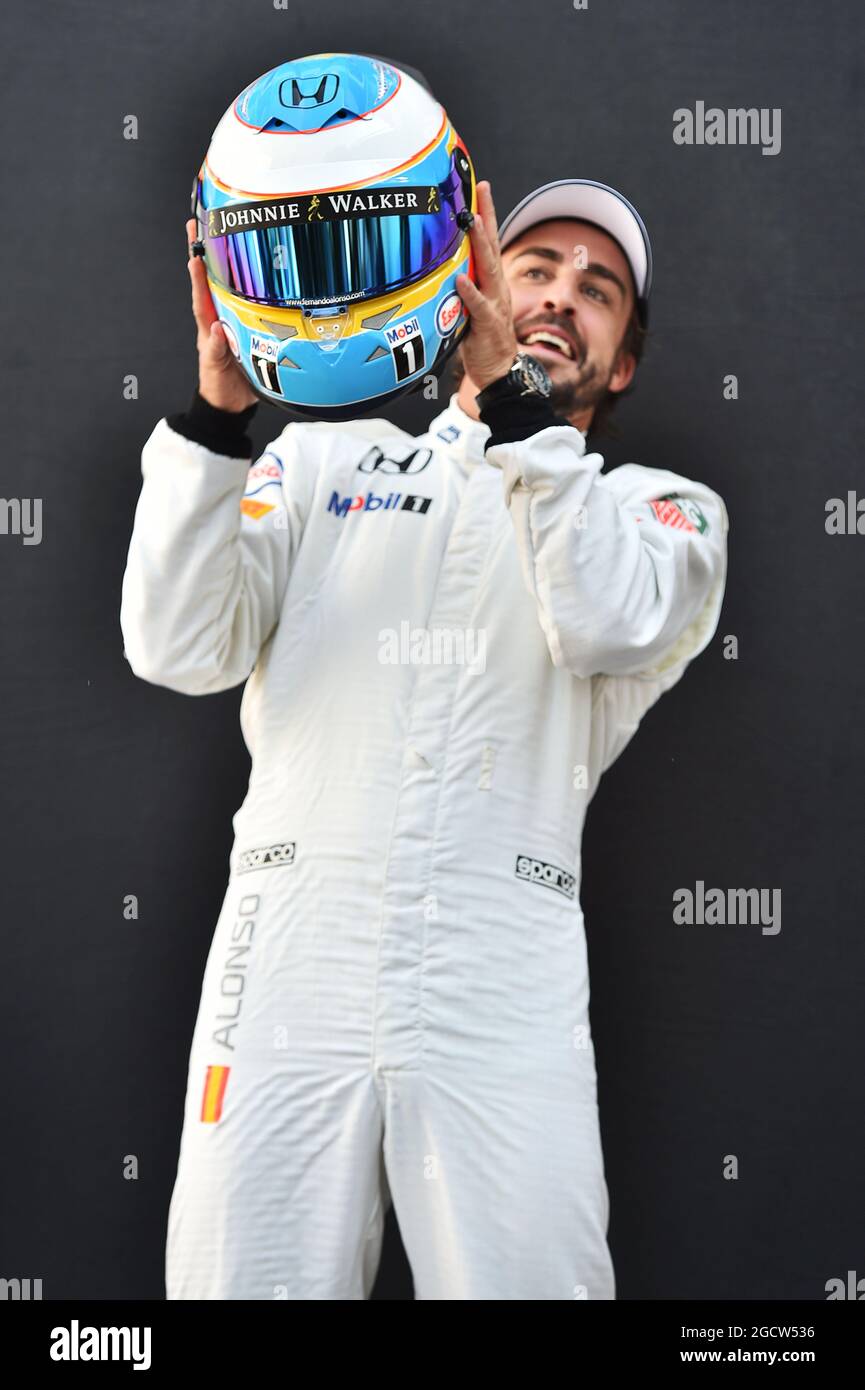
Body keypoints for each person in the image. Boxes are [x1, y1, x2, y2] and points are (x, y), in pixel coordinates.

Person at [120, 176, 729, 1301]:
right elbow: (175, 643)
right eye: (533, 268)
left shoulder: (661, 512)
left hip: (502, 973)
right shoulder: (317, 464)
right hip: (286, 955)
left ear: (625, 360)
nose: (557, 299)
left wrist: (513, 408)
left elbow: (600, 618)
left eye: (596, 292)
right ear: (464, 287)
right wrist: (215, 418)